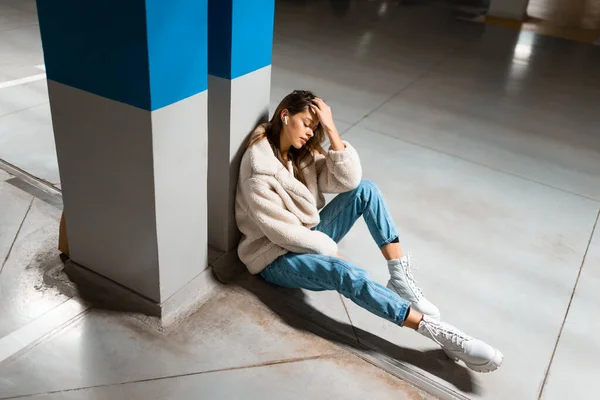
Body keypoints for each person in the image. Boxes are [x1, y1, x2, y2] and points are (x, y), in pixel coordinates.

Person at [235, 90, 503, 373]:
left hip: (306, 235)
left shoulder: (301, 153)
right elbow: (281, 234)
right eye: (306, 123)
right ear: (284, 115)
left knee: (367, 190)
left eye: (315, 127)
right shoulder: (259, 169)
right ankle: (438, 333)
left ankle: (399, 278)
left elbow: (348, 180)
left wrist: (331, 129)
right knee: (345, 274)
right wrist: (329, 251)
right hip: (273, 257)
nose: (309, 132)